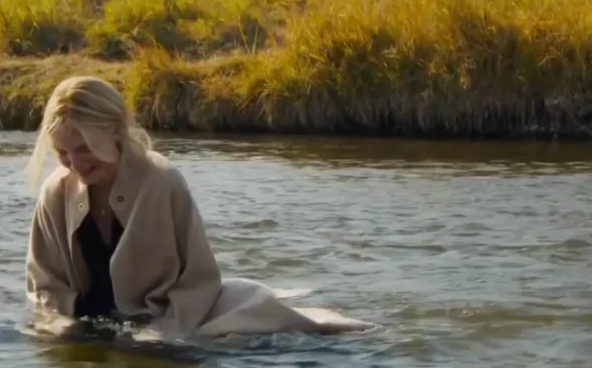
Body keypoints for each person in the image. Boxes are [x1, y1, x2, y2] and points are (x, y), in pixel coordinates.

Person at [23, 75, 374, 341]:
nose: (75, 163)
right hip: (91, 325)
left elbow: (198, 278)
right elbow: (44, 282)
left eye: (84, 148)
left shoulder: (161, 182)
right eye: (62, 152)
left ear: (115, 131)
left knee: (289, 327)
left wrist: (164, 333)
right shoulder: (55, 192)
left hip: (169, 320)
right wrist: (60, 327)